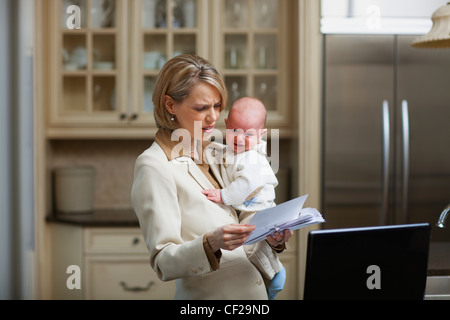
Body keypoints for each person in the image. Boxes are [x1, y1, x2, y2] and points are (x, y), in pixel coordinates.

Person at [131, 54, 292, 300]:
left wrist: (273, 238)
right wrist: (211, 242)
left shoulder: (219, 150)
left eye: (217, 106)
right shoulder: (154, 165)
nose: (213, 117)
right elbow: (163, 260)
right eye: (201, 108)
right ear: (170, 105)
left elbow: (245, 213)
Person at [202, 97, 286, 299]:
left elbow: (245, 185)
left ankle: (275, 274)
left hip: (258, 209)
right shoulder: (235, 152)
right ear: (226, 126)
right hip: (250, 208)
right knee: (256, 245)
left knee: (251, 246)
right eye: (234, 131)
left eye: (249, 134)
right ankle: (273, 274)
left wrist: (223, 195)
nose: (240, 138)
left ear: (262, 135)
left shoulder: (252, 158)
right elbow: (222, 157)